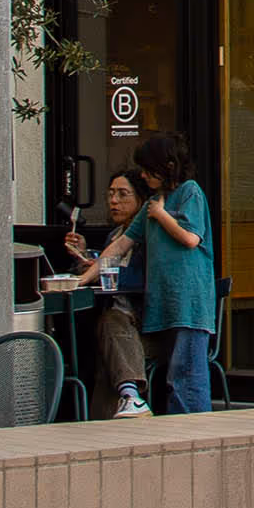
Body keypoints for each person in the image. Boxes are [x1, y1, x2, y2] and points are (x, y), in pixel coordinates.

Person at [129, 131, 218, 413]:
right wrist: (84, 274)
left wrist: (162, 215)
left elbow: (191, 238)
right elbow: (122, 243)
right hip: (165, 301)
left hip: (189, 301)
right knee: (173, 372)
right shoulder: (153, 203)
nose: (143, 176)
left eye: (147, 170)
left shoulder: (190, 191)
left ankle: (192, 431)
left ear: (167, 167)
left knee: (187, 374)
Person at [64, 169, 153, 418]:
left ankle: (131, 397)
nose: (114, 201)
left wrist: (98, 268)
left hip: (142, 321)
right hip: (116, 322)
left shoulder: (148, 236)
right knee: (105, 337)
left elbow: (136, 277)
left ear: (141, 200)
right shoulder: (113, 236)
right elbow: (107, 271)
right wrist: (86, 258)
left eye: (123, 194)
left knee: (111, 323)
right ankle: (119, 411)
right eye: (111, 194)